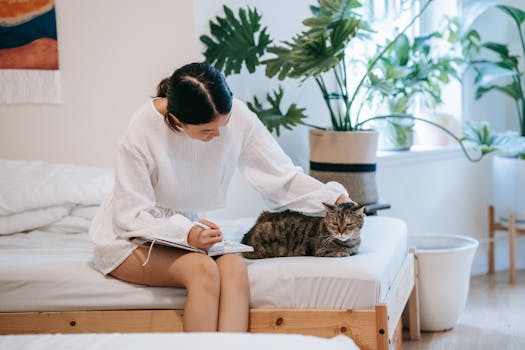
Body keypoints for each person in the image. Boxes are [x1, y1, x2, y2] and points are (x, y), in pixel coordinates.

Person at [89, 62, 352, 332]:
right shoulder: (141, 132)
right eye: (206, 130)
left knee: (234, 269)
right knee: (201, 270)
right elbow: (130, 215)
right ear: (177, 120)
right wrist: (187, 232)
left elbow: (281, 177)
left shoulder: (236, 116)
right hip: (131, 234)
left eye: (223, 125)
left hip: (182, 228)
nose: (218, 135)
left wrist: (336, 201)